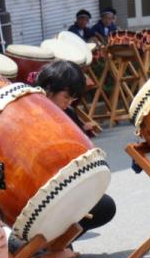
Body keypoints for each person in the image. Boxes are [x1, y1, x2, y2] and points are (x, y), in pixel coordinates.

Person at [35, 60, 115, 234]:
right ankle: (42, 243)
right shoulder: (30, 114)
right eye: (66, 97)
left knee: (105, 207)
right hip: (36, 190)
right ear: (48, 89)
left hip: (64, 188)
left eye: (73, 99)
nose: (68, 103)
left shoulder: (68, 113)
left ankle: (57, 241)